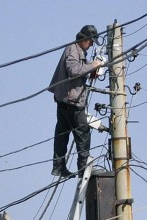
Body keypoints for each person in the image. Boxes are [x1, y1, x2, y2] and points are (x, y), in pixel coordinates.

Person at [49, 25, 103, 178]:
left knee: (62, 134)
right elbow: (73, 70)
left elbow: (76, 72)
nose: (92, 44)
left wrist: (90, 72)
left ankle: (59, 168)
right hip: (72, 102)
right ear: (84, 39)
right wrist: (93, 65)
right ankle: (83, 169)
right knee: (83, 134)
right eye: (91, 41)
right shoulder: (73, 50)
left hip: (64, 99)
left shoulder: (77, 50)